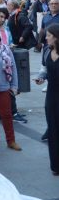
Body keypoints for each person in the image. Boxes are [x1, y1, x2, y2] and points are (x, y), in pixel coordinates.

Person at [35, 23, 59, 175]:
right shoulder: (46, 51)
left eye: (49, 35)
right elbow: (44, 69)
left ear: (56, 37)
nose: (46, 38)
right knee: (53, 129)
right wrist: (40, 78)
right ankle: (56, 165)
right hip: (51, 95)